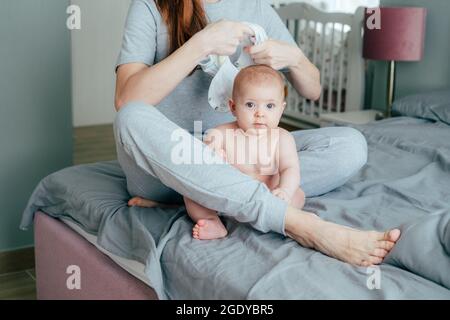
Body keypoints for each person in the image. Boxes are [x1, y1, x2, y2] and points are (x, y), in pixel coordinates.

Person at [114, 0, 401, 267]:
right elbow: (127, 98)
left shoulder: (257, 7)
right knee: (130, 117)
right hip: (171, 159)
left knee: (349, 144)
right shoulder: (150, 5)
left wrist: (295, 59)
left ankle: (216, 196)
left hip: (242, 158)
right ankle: (300, 224)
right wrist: (200, 44)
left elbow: (313, 90)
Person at [129, 65, 306, 240]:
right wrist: (215, 159)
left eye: (269, 106)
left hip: (268, 200)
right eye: (251, 105)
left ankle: (278, 220)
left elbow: (290, 169)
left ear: (281, 109)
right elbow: (202, 170)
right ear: (233, 107)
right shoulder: (220, 134)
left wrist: (285, 191)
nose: (260, 113)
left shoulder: (282, 138)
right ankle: (211, 220)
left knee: (298, 195)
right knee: (191, 193)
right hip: (226, 202)